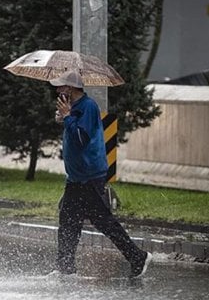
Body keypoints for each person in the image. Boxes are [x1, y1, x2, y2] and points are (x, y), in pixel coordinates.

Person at [49, 69, 151, 278]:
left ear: (70, 87)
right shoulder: (74, 106)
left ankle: (138, 257)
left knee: (103, 221)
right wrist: (63, 117)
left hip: (89, 176)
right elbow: (72, 130)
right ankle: (65, 267)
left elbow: (81, 139)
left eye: (60, 86)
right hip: (77, 178)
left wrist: (68, 118)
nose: (57, 89)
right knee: (68, 220)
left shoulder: (88, 107)